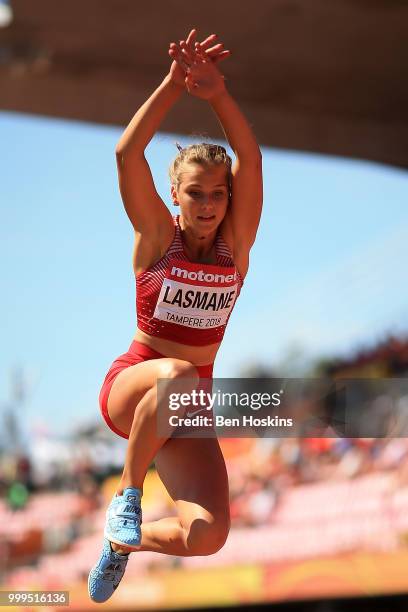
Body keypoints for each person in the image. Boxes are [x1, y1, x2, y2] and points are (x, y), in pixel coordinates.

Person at [88, 28, 263, 603]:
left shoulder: (235, 245)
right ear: (175, 192)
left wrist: (219, 96)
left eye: (218, 194)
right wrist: (172, 85)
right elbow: (125, 153)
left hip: (187, 404)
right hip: (135, 384)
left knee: (209, 534)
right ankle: (127, 497)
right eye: (196, 194)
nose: (209, 206)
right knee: (179, 375)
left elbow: (252, 158)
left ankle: (122, 546)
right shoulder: (157, 236)